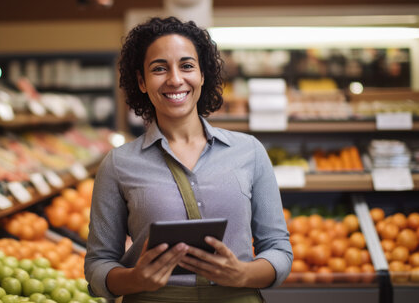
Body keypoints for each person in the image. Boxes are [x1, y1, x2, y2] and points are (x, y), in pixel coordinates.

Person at [85, 16, 292, 303]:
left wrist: (243, 274)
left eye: (186, 66)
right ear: (142, 82)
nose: (175, 79)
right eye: (159, 68)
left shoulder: (249, 152)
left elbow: (278, 248)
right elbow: (97, 265)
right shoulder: (118, 164)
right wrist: (134, 279)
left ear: (202, 75)